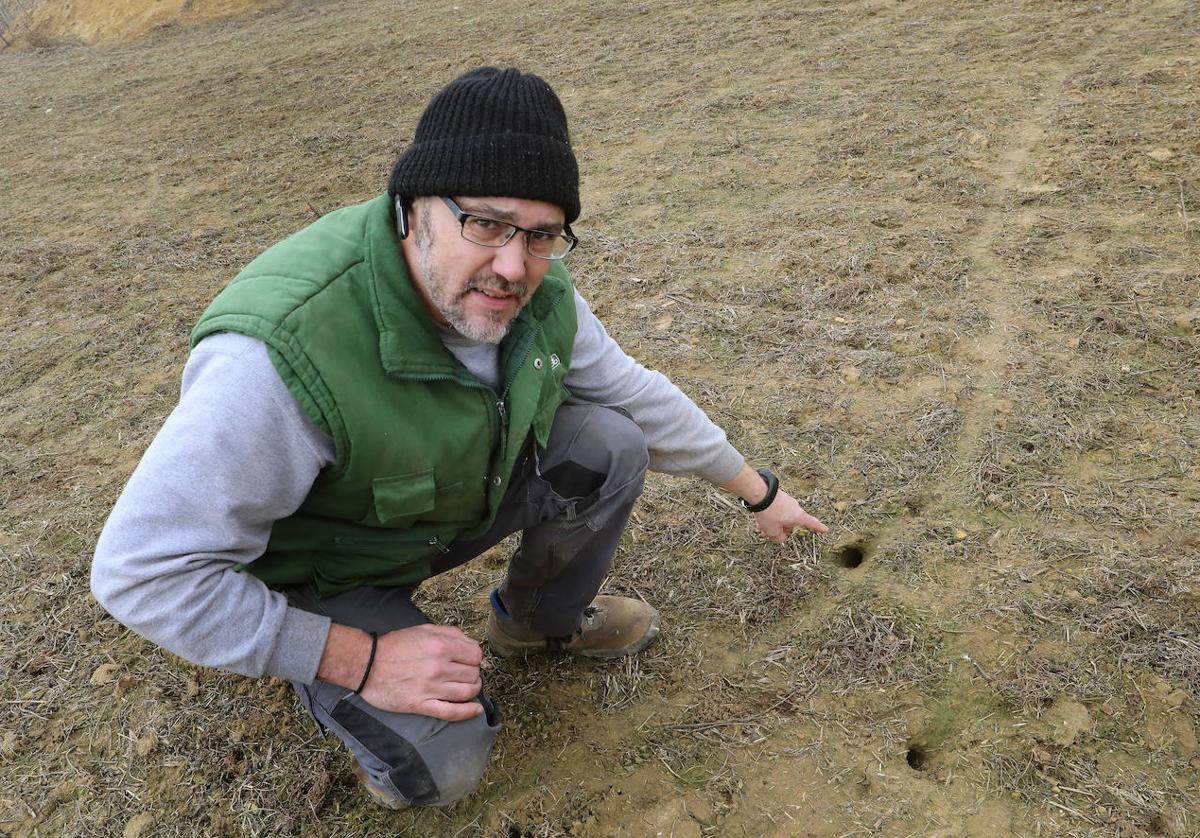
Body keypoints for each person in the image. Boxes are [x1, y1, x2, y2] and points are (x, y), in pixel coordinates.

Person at [91, 66, 828, 809]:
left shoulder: (535, 290)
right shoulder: (281, 354)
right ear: (416, 208)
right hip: (321, 576)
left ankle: (537, 625)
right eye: (486, 223)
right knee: (441, 763)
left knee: (609, 441)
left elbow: (633, 392)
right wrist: (357, 656)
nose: (513, 265)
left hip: (432, 514)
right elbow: (141, 572)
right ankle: (342, 680)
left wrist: (757, 490)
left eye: (542, 235)